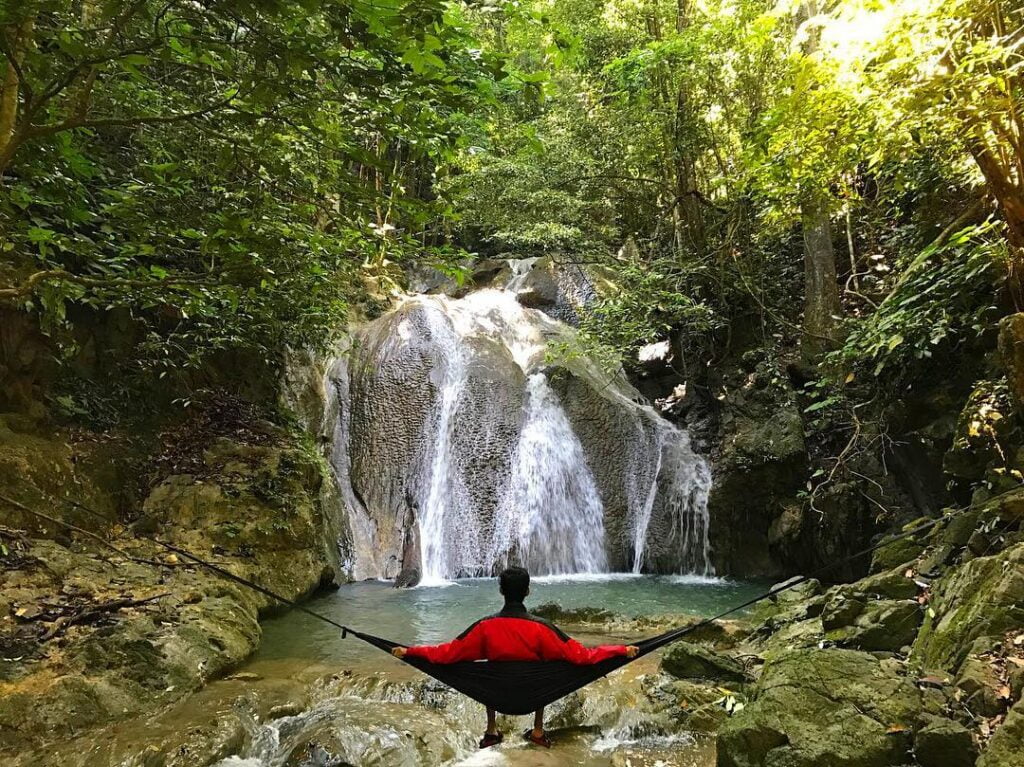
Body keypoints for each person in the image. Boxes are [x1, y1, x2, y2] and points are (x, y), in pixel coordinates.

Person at [391, 566, 639, 749]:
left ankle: (491, 731)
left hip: (496, 692)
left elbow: (446, 654)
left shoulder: (485, 627)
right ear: (528, 591)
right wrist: (620, 650)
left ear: (500, 591)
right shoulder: (543, 628)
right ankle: (538, 732)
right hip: (533, 693)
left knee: (484, 669)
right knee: (548, 667)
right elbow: (583, 656)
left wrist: (409, 651)